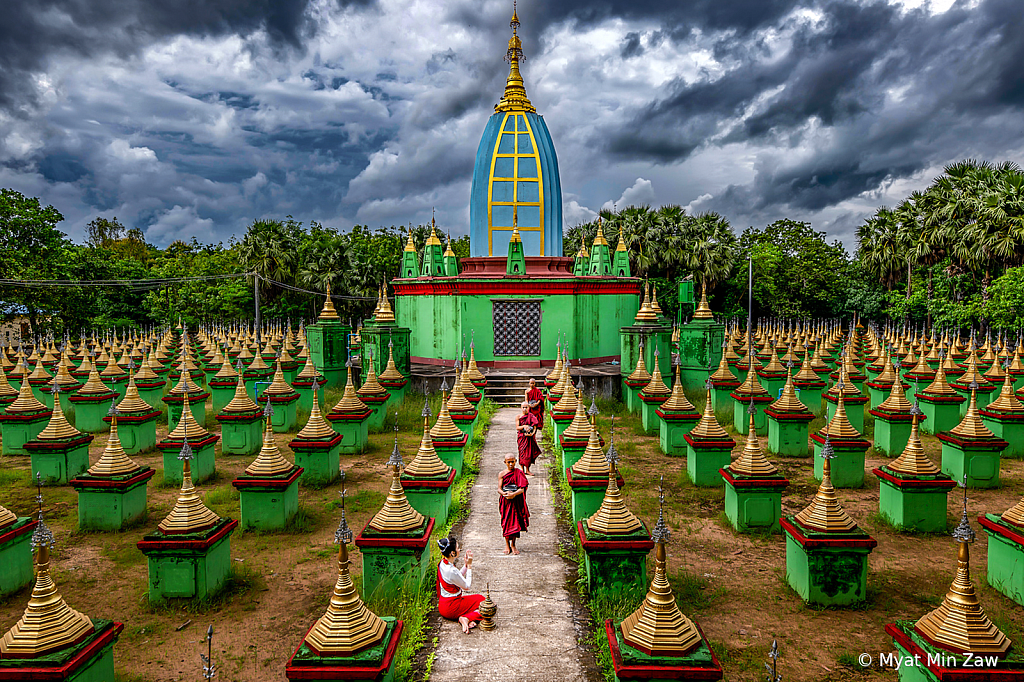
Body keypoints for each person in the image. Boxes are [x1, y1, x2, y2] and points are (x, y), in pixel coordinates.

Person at [436, 535, 484, 633]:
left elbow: (456, 578)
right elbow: (467, 586)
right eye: (458, 548)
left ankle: (466, 617)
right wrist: (469, 567)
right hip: (452, 607)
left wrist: (466, 565)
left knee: (479, 602)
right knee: (484, 604)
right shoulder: (451, 570)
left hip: (443, 605)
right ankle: (466, 618)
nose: (459, 549)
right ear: (453, 553)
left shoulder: (443, 564)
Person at [499, 454, 529, 555]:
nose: (511, 464)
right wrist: (504, 494)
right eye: (508, 462)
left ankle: (513, 544)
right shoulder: (502, 474)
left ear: (515, 461)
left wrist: (513, 494)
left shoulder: (519, 473)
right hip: (505, 501)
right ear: (505, 462)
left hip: (515, 500)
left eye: (512, 462)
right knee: (506, 522)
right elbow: (499, 488)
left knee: (516, 522)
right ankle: (507, 544)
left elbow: (522, 488)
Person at [516, 402, 541, 475]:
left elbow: (535, 426)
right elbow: (517, 427)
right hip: (522, 437)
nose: (524, 409)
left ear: (528, 408)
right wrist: (524, 426)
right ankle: (522, 470)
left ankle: (527, 469)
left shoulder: (531, 416)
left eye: (526, 407)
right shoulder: (518, 417)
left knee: (528, 454)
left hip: (529, 437)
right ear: (521, 408)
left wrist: (532, 433)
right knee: (522, 453)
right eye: (523, 407)